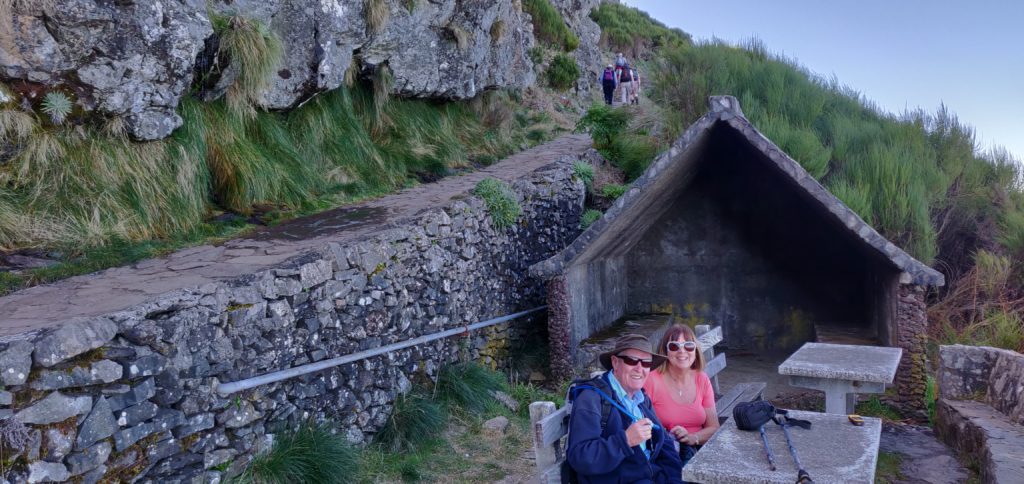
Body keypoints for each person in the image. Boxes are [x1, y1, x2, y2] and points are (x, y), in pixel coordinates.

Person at [566, 334, 683, 483]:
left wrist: (676, 476)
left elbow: (664, 441)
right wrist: (625, 440)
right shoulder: (591, 398)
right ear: (615, 362)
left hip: (650, 475)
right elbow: (580, 457)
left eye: (646, 363)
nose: (639, 368)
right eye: (631, 360)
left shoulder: (641, 398)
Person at [644, 325, 721, 469]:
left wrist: (693, 438)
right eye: (674, 346)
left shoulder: (701, 379)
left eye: (688, 346)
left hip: (697, 451)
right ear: (665, 350)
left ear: (695, 350)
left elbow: (713, 427)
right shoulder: (651, 380)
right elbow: (642, 425)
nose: (682, 351)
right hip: (666, 453)